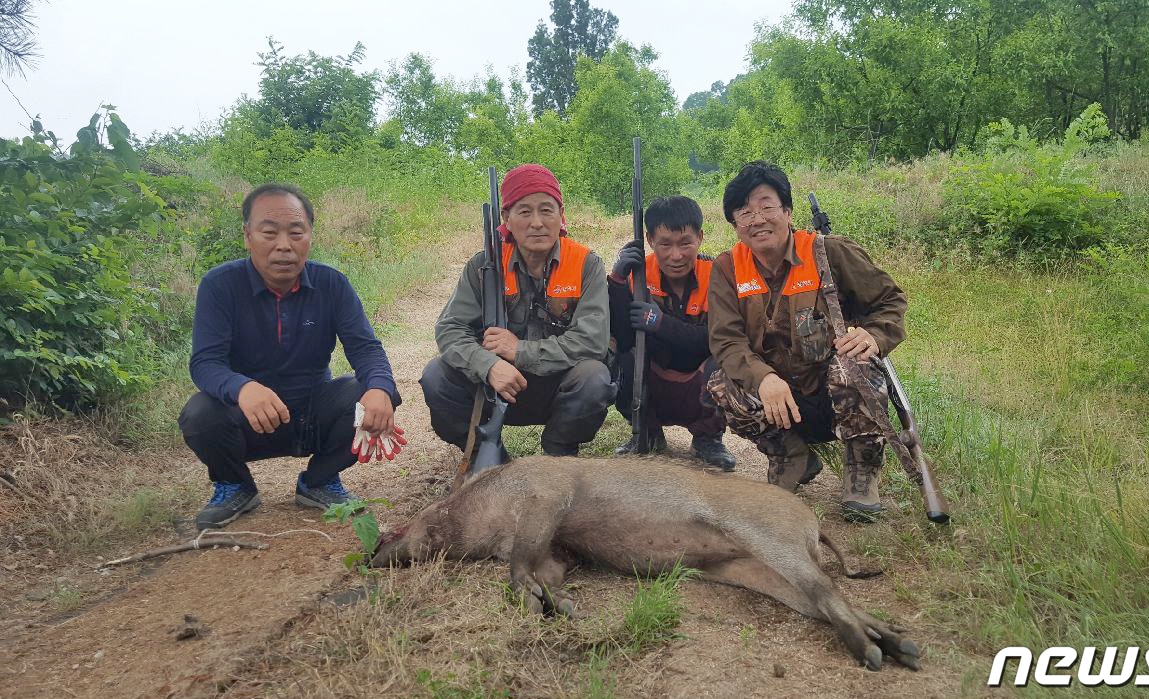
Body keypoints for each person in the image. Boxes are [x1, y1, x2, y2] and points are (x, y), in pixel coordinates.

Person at [179, 183, 404, 530]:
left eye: (295, 232)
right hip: (247, 419)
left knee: (374, 392)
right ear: (247, 236)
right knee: (199, 414)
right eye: (269, 232)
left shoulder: (333, 285)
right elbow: (205, 363)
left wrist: (380, 390)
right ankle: (235, 485)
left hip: (311, 416)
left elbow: (366, 349)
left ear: (309, 236)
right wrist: (242, 388)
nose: (283, 245)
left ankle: (319, 481)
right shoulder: (220, 286)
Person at [704, 162, 907, 521]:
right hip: (780, 399)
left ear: (787, 211)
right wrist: (763, 378)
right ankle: (791, 456)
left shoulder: (830, 252)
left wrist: (873, 336)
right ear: (735, 225)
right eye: (744, 212)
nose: (757, 219)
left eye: (766, 206)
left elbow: (889, 302)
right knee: (722, 383)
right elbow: (726, 339)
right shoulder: (727, 269)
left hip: (835, 393)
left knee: (854, 360)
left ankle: (862, 469)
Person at [421, 164, 613, 458]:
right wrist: (488, 366)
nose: (537, 222)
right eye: (524, 212)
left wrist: (520, 351)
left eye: (546, 210)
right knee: (437, 376)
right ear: (506, 219)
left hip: (557, 384)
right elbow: (450, 330)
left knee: (594, 378)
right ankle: (488, 455)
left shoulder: (587, 264)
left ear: (561, 216)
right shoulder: (483, 266)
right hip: (495, 385)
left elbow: (592, 342)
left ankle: (559, 454)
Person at [608, 195, 736, 471]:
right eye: (665, 244)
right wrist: (617, 282)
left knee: (728, 358)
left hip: (699, 382)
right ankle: (647, 432)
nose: (675, 255)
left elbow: (718, 339)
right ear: (650, 240)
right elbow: (623, 338)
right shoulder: (636, 275)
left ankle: (708, 437)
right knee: (619, 356)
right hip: (654, 380)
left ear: (700, 237)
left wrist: (661, 324)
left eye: (685, 243)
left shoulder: (718, 275)